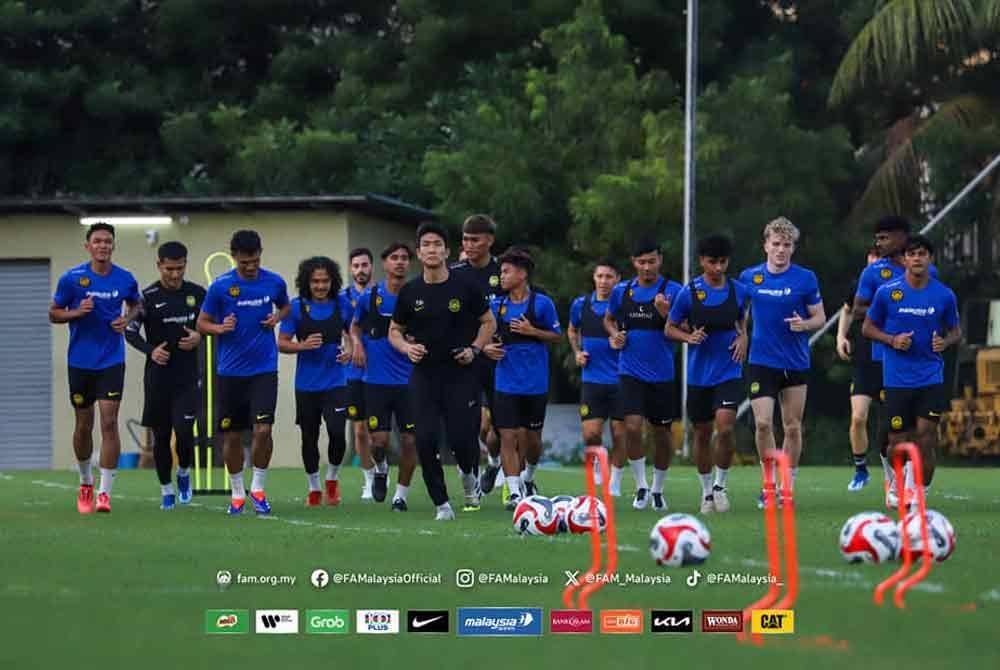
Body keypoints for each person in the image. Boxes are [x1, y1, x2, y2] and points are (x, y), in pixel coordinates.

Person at [389, 222, 497, 520]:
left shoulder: (466, 287)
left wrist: (474, 349)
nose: (432, 249)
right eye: (426, 244)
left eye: (438, 244)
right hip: (424, 375)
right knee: (423, 439)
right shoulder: (410, 291)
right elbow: (395, 331)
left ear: (446, 251)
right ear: (419, 252)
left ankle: (469, 476)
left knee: (463, 439)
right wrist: (406, 349)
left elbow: (489, 322)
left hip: (460, 373)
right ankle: (442, 505)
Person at [197, 230, 290, 515]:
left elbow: (286, 306)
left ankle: (258, 489)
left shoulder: (274, 281)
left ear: (261, 253)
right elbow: (202, 323)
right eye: (244, 262)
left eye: (255, 260)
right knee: (233, 436)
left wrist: (276, 317)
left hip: (264, 369)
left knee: (263, 429)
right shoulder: (220, 287)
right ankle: (237, 493)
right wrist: (219, 329)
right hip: (230, 373)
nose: (250, 267)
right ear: (234, 256)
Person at [50, 222, 140, 514]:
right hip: (80, 362)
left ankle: (104, 493)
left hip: (111, 360)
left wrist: (126, 320)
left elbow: (138, 305)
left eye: (108, 241)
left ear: (113, 246)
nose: (103, 246)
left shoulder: (125, 278)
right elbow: (54, 313)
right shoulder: (72, 279)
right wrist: (77, 312)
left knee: (109, 422)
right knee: (83, 424)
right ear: (88, 246)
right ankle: (85, 482)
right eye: (97, 241)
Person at [863, 234, 959, 507]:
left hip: (930, 376)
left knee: (926, 438)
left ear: (930, 259)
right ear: (904, 259)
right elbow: (867, 328)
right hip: (896, 379)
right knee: (898, 441)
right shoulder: (887, 293)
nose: (917, 259)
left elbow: (956, 332)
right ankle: (897, 480)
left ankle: (920, 495)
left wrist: (945, 341)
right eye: (912, 254)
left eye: (922, 254)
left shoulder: (944, 295)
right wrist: (892, 340)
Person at [739, 217, 825, 509]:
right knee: (763, 424)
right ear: (765, 246)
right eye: (775, 244)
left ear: (793, 249)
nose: (780, 250)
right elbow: (739, 314)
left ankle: (787, 486)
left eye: (786, 245)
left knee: (792, 427)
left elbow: (820, 317)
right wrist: (741, 336)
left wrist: (805, 325)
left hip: (795, 362)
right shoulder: (750, 277)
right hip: (761, 361)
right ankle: (768, 485)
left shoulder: (805, 278)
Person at [849, 215, 936, 497]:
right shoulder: (874, 273)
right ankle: (891, 477)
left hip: (920, 360)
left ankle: (910, 484)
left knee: (915, 428)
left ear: (902, 237)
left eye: (885, 237)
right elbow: (858, 310)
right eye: (877, 238)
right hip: (881, 357)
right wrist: (888, 307)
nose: (879, 243)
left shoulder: (928, 272)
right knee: (890, 427)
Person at [666, 234, 749, 514]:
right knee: (701, 434)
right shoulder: (688, 293)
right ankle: (705, 493)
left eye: (723, 262)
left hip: (729, 370)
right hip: (699, 374)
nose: (717, 268)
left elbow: (742, 320)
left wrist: (743, 338)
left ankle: (720, 486)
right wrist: (687, 339)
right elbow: (670, 327)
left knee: (724, 428)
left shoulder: (739, 291)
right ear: (702, 261)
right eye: (712, 262)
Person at [604, 238, 683, 511]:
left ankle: (658, 488)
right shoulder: (621, 291)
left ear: (660, 260)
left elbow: (686, 325)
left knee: (662, 434)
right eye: (641, 262)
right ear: (633, 263)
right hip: (630, 371)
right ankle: (640, 486)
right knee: (632, 427)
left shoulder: (673, 290)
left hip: (661, 374)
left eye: (651, 261)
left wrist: (667, 313)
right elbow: (609, 319)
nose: (647, 267)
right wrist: (615, 336)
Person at [125, 241, 205, 510]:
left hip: (187, 377)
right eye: (169, 269)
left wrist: (200, 335)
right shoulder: (146, 297)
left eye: (179, 268)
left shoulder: (197, 293)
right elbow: (130, 330)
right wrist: (150, 351)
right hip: (158, 378)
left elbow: (210, 324)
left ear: (185, 265)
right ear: (159, 265)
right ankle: (166, 490)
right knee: (161, 436)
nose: (174, 274)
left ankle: (183, 472)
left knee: (183, 433)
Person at [483, 248, 562, 510]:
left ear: (522, 273)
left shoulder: (542, 304)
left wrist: (532, 331)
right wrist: (486, 348)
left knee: (531, 439)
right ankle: (514, 491)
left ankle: (528, 478)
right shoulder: (497, 306)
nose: (501, 276)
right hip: (505, 382)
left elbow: (556, 337)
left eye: (506, 271)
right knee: (508, 435)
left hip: (535, 382)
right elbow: (482, 334)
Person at [278, 256, 354, 507]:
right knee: (309, 438)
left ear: (333, 281)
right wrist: (302, 345)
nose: (320, 286)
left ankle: (332, 479)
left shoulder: (342, 303)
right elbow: (282, 342)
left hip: (336, 381)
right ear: (306, 283)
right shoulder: (297, 307)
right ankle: (313, 487)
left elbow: (351, 333)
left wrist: (349, 350)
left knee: (336, 432)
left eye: (325, 281)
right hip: (307, 384)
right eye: (315, 282)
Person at [351, 242, 418, 511]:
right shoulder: (371, 296)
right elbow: (355, 326)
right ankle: (381, 468)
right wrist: (356, 344)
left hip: (410, 382)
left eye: (404, 258)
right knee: (377, 442)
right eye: (394, 258)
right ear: (385, 264)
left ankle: (400, 496)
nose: (400, 262)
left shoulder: (418, 296)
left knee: (410, 440)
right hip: (376, 381)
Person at [449, 214, 505, 498]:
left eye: (475, 239)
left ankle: (496, 464)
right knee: (470, 424)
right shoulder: (455, 273)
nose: (469, 245)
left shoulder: (504, 272)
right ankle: (471, 479)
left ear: (489, 241)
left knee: (499, 428)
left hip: (500, 361)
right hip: (467, 360)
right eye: (465, 240)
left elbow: (514, 311)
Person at [568, 259, 627, 496]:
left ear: (618, 280)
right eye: (600, 276)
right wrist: (577, 352)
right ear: (594, 278)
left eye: (609, 277)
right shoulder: (581, 305)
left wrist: (622, 341)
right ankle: (596, 464)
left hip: (622, 380)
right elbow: (572, 329)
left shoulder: (624, 307)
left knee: (621, 434)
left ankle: (615, 481)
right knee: (591, 433)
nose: (604, 281)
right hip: (592, 380)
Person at [836, 246, 880, 492]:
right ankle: (861, 469)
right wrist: (841, 336)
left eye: (879, 256)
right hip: (863, 360)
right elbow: (847, 310)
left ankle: (893, 473)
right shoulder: (859, 285)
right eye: (871, 256)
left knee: (892, 423)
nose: (874, 261)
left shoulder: (897, 283)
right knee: (858, 417)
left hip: (890, 360)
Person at [342, 247, 375, 500]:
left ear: (371, 267)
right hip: (353, 373)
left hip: (381, 372)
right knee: (360, 430)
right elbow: (340, 330)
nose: (360, 270)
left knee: (380, 431)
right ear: (351, 269)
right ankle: (369, 479)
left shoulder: (382, 295)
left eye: (364, 265)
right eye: (356, 266)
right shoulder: (342, 298)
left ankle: (382, 470)